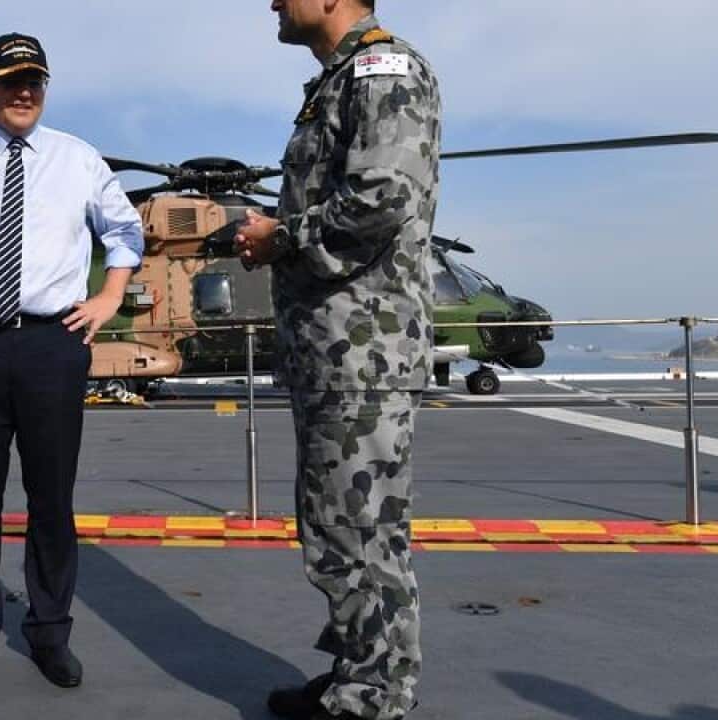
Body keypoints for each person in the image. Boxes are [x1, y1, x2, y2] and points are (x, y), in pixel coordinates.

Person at [0, 32, 143, 690]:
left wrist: (109, 299)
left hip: (50, 343)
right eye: (10, 80)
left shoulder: (78, 159)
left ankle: (49, 631)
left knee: (51, 498)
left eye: (34, 80)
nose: (23, 92)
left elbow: (125, 230)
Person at [235, 1, 441, 718]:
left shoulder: (384, 71)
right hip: (336, 350)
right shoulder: (342, 79)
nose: (272, 2)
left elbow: (382, 197)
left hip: (363, 352)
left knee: (358, 529)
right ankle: (362, 673)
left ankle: (373, 696)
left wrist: (281, 237)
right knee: (342, 525)